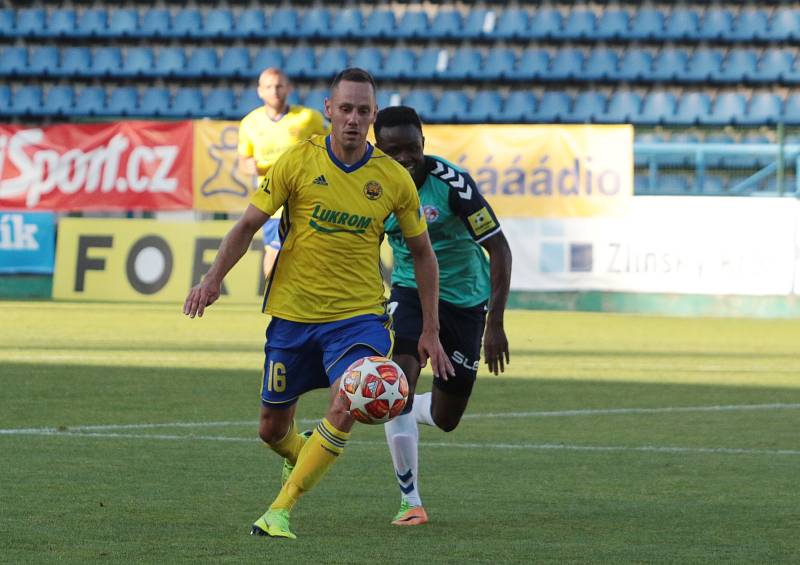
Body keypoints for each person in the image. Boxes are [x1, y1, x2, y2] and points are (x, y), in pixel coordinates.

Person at [183, 69, 455, 540]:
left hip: (359, 319)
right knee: (271, 429)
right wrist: (212, 279)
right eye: (345, 109)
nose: (353, 119)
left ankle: (279, 512)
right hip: (292, 316)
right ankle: (304, 452)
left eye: (363, 111)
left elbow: (423, 253)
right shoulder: (297, 162)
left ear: (373, 117)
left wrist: (430, 328)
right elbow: (248, 224)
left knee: (348, 399)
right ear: (329, 110)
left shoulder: (392, 179)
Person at [374, 106, 513, 526]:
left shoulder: (453, 184)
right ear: (378, 148)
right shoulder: (370, 186)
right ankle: (409, 501)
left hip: (464, 301)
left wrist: (495, 324)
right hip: (410, 292)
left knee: (446, 418)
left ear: (423, 145)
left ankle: (409, 407)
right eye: (392, 149)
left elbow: (500, 249)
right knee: (396, 379)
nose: (403, 158)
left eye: (411, 148)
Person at [237, 67, 328, 278]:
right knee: (275, 251)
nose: (274, 91)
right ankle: (273, 300)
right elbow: (243, 161)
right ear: (260, 91)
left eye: (279, 85)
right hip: (273, 199)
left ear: (289, 88)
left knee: (312, 255)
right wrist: (247, 166)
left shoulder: (308, 118)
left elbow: (333, 144)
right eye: (268, 87)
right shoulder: (250, 123)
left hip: (308, 196)